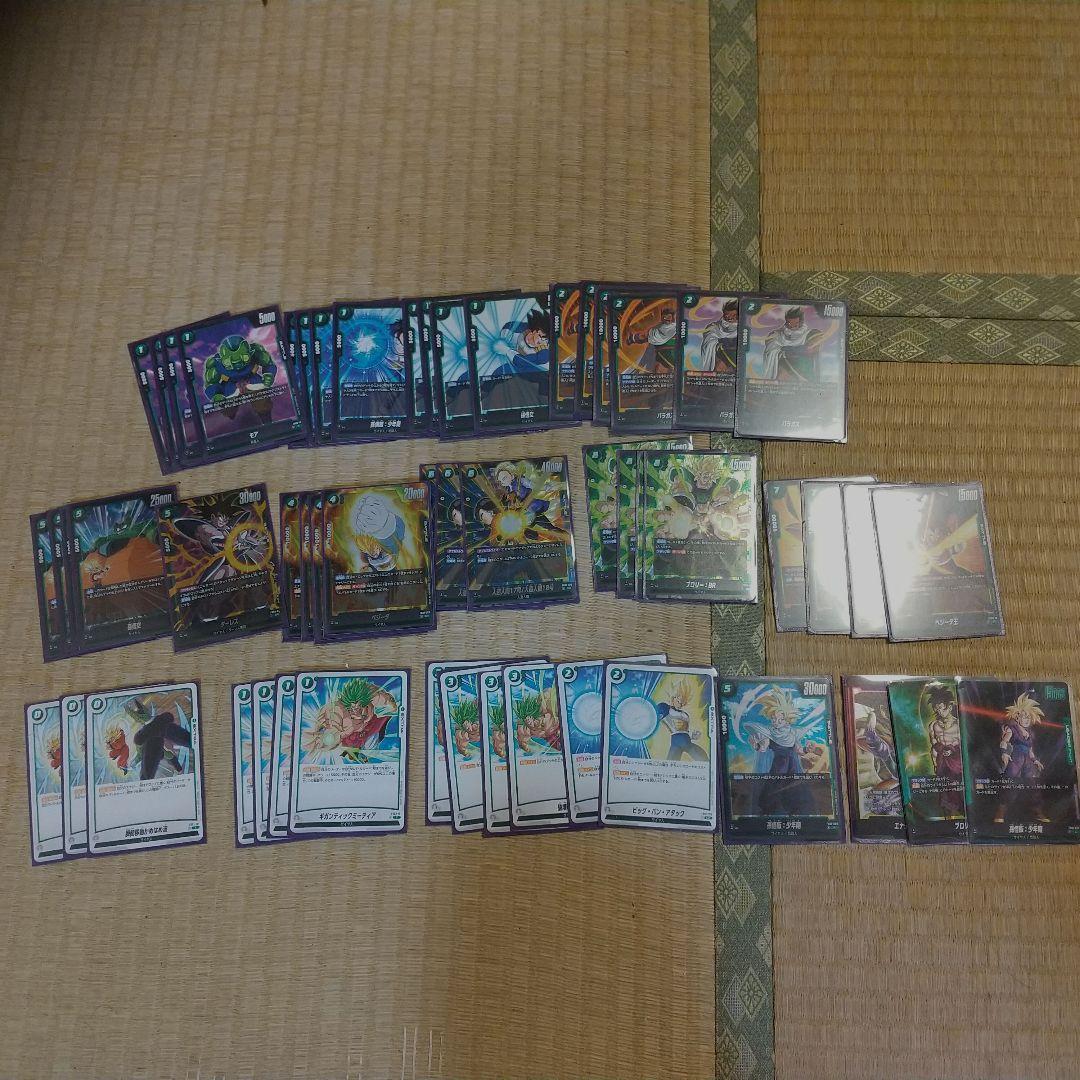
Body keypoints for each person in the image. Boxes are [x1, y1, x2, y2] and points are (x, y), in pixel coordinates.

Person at [759, 306, 823, 381]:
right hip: (783, 372)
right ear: (786, 321)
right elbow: (770, 347)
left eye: (796, 323)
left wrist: (786, 350)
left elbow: (810, 349)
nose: (792, 326)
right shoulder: (777, 334)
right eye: (789, 323)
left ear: (801, 322)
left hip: (803, 372)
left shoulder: (811, 334)